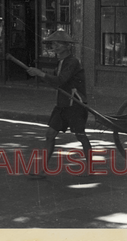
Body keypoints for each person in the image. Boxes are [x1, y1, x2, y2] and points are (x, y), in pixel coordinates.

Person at [26, 30, 92, 177]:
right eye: (53, 44)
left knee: (81, 136)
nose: (54, 46)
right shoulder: (61, 62)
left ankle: (91, 167)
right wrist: (39, 74)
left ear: (68, 46)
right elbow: (56, 83)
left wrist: (40, 73)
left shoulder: (73, 62)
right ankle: (42, 170)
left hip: (75, 105)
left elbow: (60, 80)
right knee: (50, 134)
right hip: (62, 104)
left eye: (58, 43)